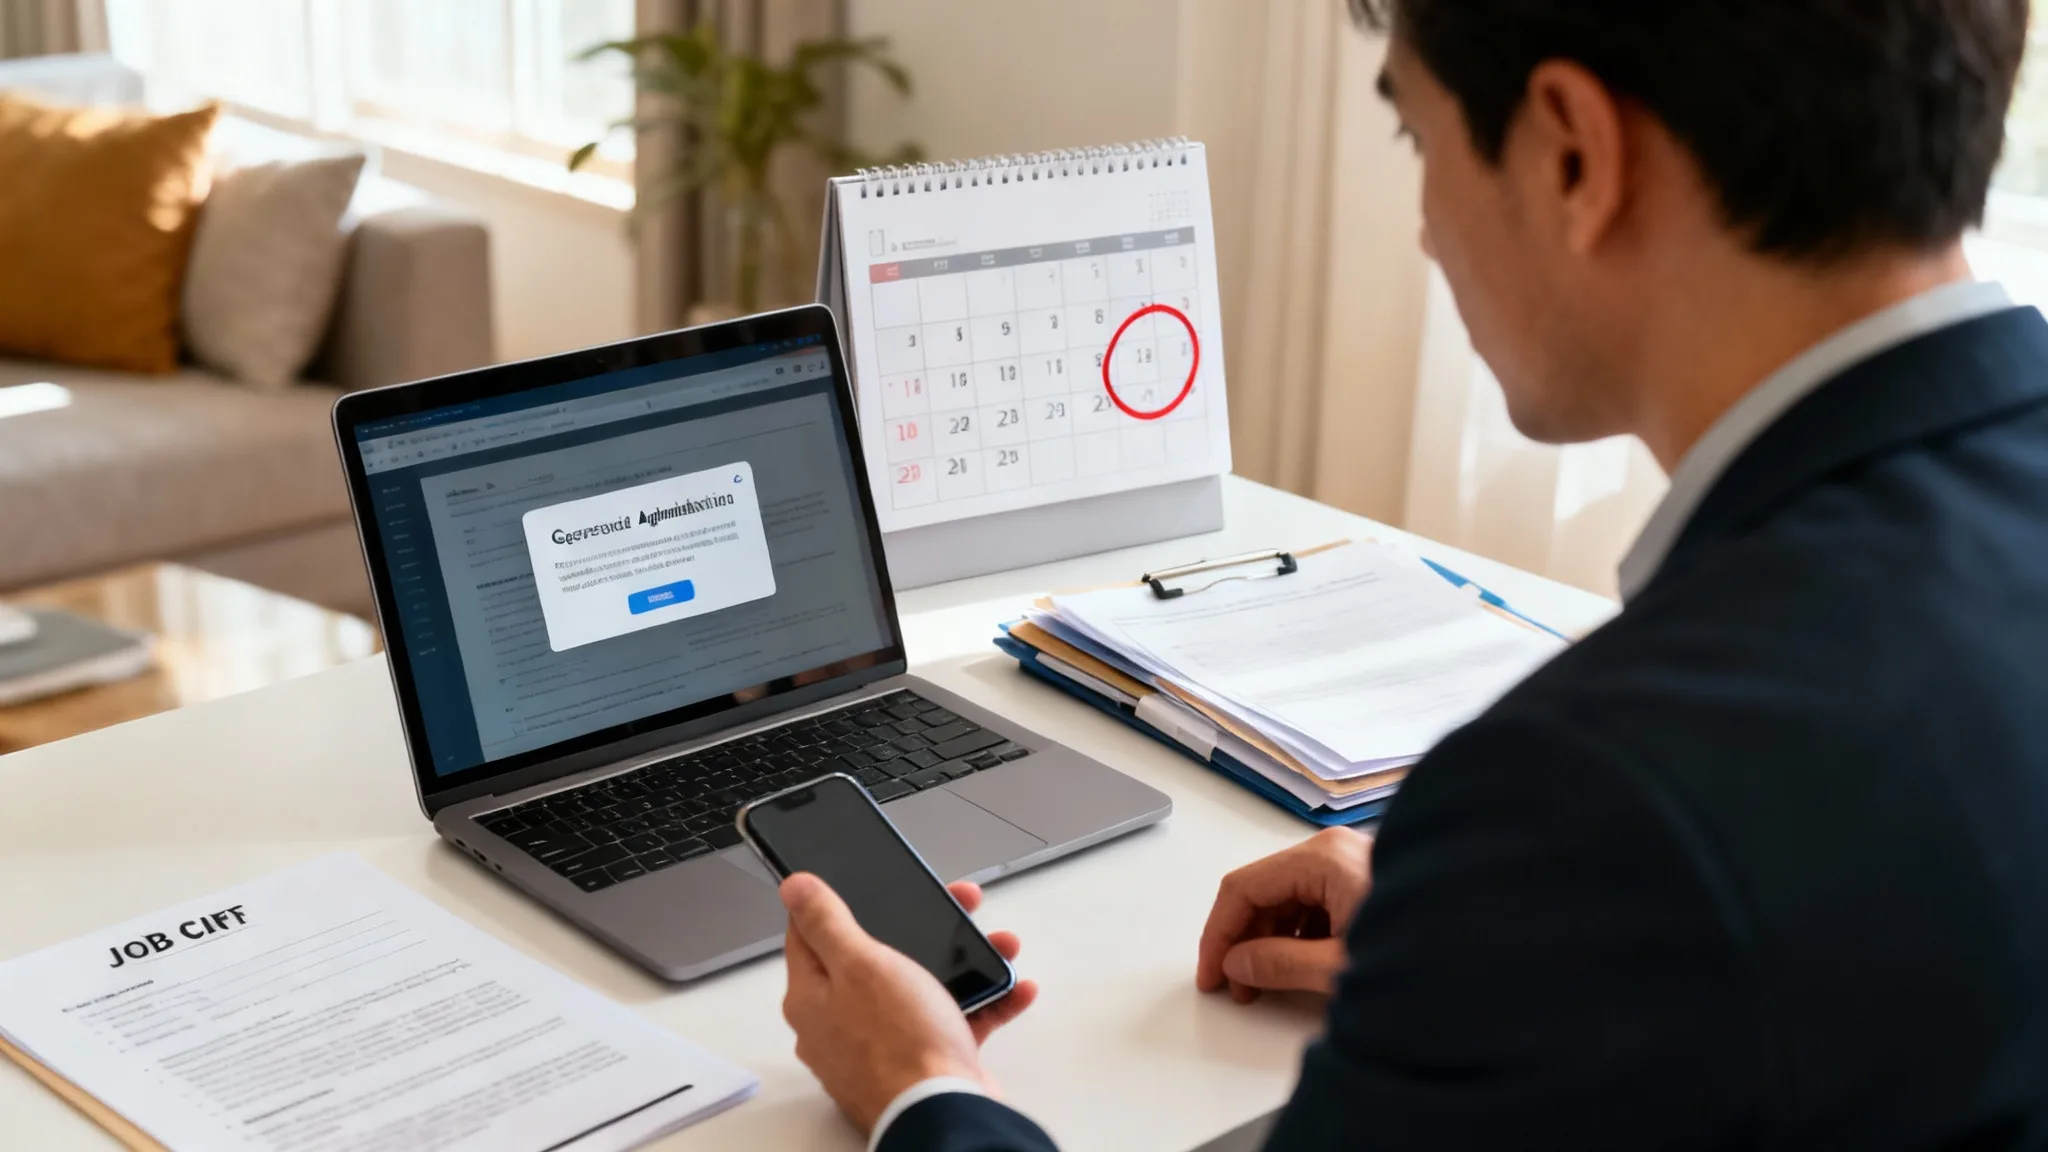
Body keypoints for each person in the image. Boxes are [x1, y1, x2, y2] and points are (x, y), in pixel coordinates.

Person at [779, 0, 2048, 1147]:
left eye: (1417, 143)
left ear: (1569, 152)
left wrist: (920, 1091)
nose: (1430, 227)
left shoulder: (1592, 796)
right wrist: (1502, 958)